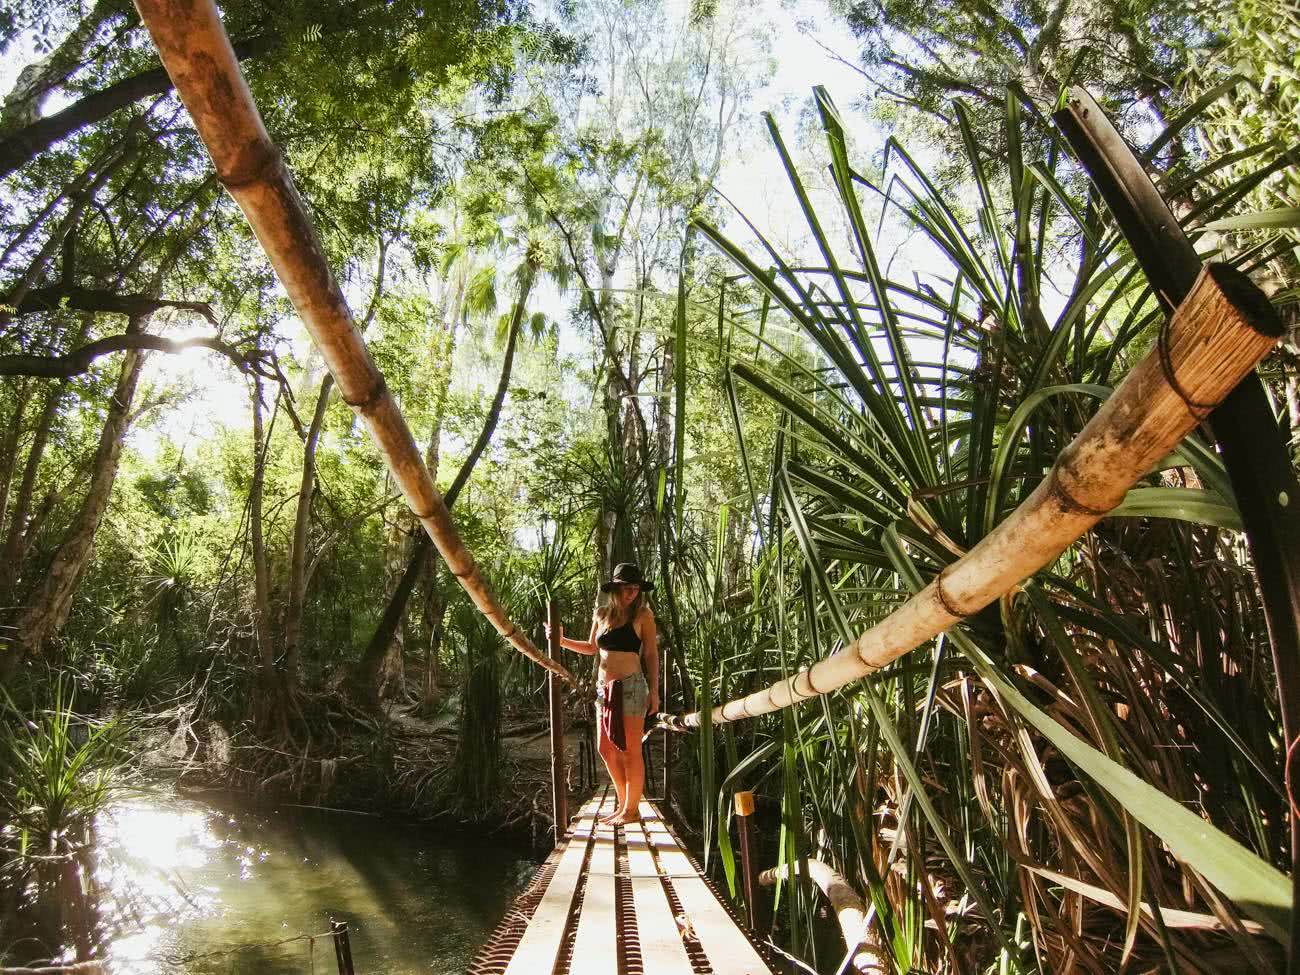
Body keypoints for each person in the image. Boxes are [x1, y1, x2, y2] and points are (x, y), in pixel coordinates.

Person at [546, 562, 660, 825]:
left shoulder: (644, 615)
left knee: (631, 750)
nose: (631, 593)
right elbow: (590, 647)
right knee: (606, 749)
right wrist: (561, 640)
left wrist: (654, 691)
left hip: (631, 686)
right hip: (603, 690)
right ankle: (623, 804)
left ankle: (632, 810)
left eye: (635, 588)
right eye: (626, 587)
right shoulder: (601, 614)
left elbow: (652, 654)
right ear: (615, 588)